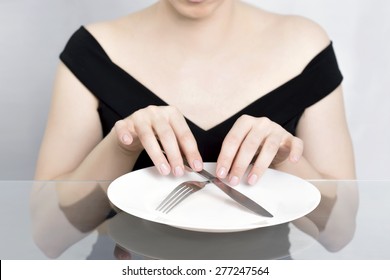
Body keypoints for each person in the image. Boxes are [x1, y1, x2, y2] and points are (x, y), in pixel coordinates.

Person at [34, 0, 356, 186]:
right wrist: (121, 146)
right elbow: (49, 235)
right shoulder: (92, 51)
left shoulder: (306, 47)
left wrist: (285, 159)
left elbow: (339, 231)